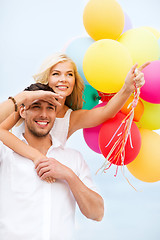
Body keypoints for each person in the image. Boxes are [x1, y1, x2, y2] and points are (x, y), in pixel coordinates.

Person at [0, 83, 104, 240]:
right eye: (36, 106)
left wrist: (69, 175)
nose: (44, 114)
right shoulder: (5, 154)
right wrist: (22, 98)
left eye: (50, 108)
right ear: (22, 111)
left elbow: (97, 213)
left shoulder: (73, 158)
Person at [0, 53, 149, 149]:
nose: (63, 79)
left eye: (69, 74)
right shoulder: (28, 102)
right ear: (47, 78)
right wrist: (35, 157)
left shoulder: (70, 118)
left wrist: (128, 87)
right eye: (56, 74)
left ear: (74, 81)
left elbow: (105, 112)